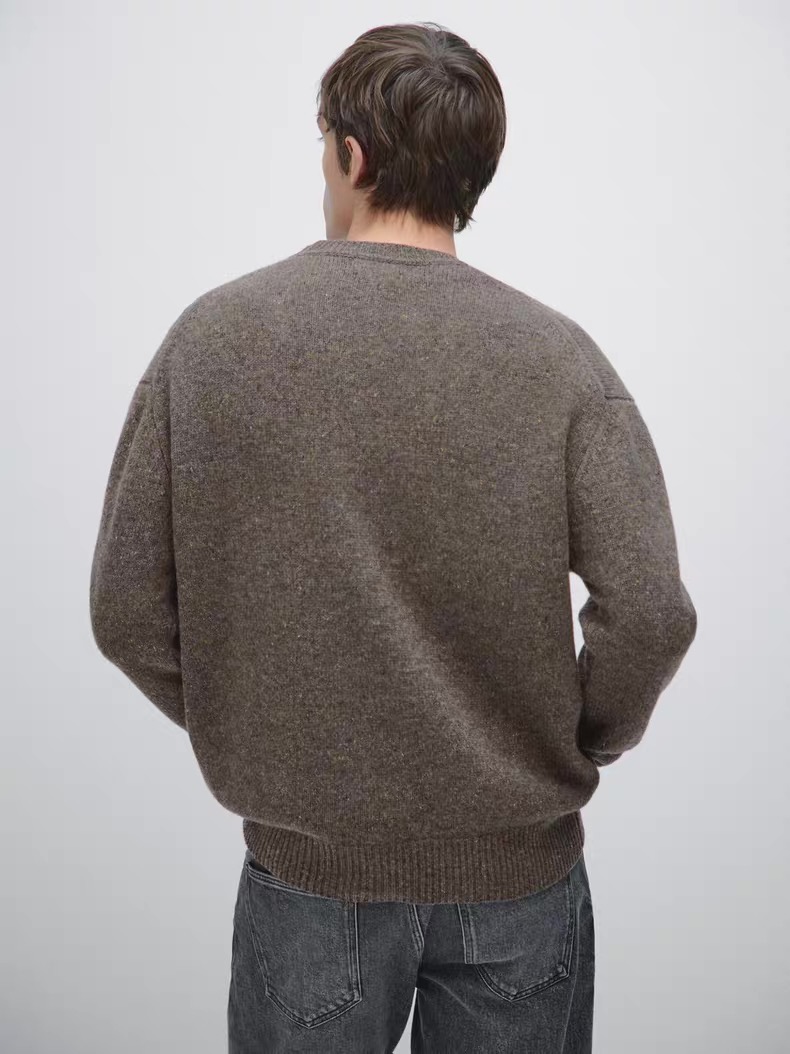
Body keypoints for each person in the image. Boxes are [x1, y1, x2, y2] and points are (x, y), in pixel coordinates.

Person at [89, 20, 698, 1053]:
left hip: (307, 878)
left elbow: (125, 612)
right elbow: (650, 614)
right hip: (520, 879)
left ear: (351, 154)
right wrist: (575, 739)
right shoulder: (559, 360)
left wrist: (261, 729)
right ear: (472, 174)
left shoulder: (214, 341)